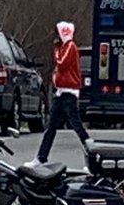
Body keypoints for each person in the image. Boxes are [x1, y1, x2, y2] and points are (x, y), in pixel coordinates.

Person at [29, 21, 90, 166]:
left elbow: (62, 64)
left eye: (58, 33)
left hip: (69, 93)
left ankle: (93, 156)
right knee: (51, 127)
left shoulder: (70, 47)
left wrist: (56, 50)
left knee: (77, 126)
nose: (56, 37)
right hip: (60, 93)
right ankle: (41, 157)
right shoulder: (64, 47)